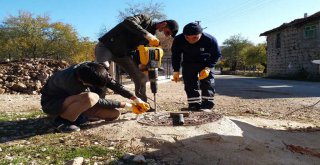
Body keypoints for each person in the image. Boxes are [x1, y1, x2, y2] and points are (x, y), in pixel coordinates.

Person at [40, 62, 150, 133]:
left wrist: (135, 98)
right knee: (90, 97)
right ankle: (62, 121)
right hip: (53, 104)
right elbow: (96, 101)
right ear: (84, 82)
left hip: (75, 102)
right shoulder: (71, 80)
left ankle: (80, 116)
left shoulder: (95, 70)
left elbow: (115, 85)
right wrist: (125, 105)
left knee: (114, 114)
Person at [95, 14, 179, 103]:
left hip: (122, 54)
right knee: (101, 73)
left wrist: (140, 64)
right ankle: (98, 104)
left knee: (141, 77)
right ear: (163, 24)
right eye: (167, 33)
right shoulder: (145, 19)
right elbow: (128, 21)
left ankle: (142, 104)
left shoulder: (151, 40)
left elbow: (138, 51)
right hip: (106, 46)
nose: (166, 36)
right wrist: (147, 34)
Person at [171, 22, 221, 112]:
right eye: (187, 37)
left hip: (205, 63)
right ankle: (194, 105)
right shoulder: (179, 39)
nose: (191, 40)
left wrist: (208, 68)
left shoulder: (210, 39)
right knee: (189, 84)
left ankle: (207, 105)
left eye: (195, 37)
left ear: (201, 34)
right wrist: (176, 70)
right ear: (184, 35)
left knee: (207, 83)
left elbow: (216, 54)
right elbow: (176, 55)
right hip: (188, 63)